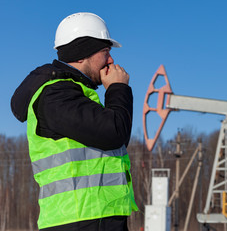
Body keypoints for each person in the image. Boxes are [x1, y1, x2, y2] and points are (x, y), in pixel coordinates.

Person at [10, 12, 138, 231]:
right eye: (105, 52)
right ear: (81, 54)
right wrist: (118, 89)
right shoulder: (56, 95)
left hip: (94, 218)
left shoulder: (75, 93)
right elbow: (114, 132)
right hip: (80, 220)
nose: (111, 60)